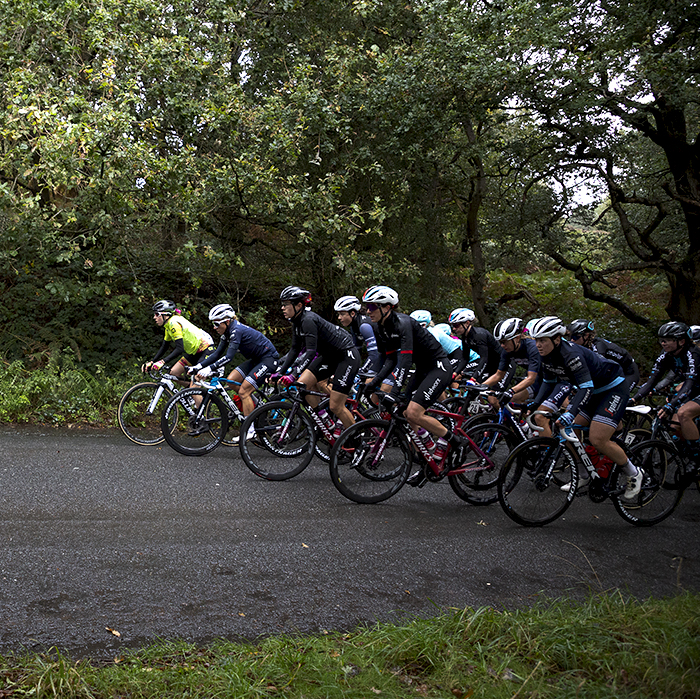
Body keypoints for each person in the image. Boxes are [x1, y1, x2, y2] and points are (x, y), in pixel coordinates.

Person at [529, 316, 643, 498]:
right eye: (536, 340)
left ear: (556, 339)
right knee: (566, 430)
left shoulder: (571, 355)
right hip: (594, 390)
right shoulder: (547, 356)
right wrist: (534, 406)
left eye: (542, 340)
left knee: (597, 438)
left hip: (613, 388)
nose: (538, 345)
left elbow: (586, 387)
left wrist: (571, 412)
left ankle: (634, 472)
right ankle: (583, 474)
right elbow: (548, 383)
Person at [363, 286, 459, 483]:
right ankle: (429, 455)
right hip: (423, 368)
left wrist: (396, 391)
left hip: (438, 367)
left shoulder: (403, 323)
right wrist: (374, 383)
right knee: (405, 413)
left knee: (414, 412)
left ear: (387, 307)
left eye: (372, 306)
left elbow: (405, 361)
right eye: (367, 306)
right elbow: (390, 360)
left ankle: (456, 442)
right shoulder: (382, 327)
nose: (368, 310)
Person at [274, 286, 361, 432]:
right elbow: (294, 350)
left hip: (346, 356)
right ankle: (326, 422)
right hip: (330, 356)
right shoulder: (296, 321)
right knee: (303, 385)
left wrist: (293, 374)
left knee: (336, 406)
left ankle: (358, 442)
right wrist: (281, 372)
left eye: (285, 304)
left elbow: (310, 352)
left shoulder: (308, 320)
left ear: (299, 305)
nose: (282, 308)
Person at [189, 304, 279, 421]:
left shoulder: (236, 331)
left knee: (244, 391)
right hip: (256, 360)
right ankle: (257, 408)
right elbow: (216, 354)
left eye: (217, 324)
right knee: (232, 380)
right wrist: (198, 367)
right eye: (213, 324)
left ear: (227, 321)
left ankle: (250, 429)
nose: (214, 328)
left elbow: (228, 357)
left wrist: (209, 369)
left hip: (269, 359)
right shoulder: (227, 333)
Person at [632, 321, 700, 463]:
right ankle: (687, 451)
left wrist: (671, 405)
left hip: (693, 386)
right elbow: (651, 381)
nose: (663, 343)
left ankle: (696, 458)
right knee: (674, 426)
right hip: (692, 388)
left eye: (668, 340)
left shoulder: (692, 354)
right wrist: (633, 399)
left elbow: (689, 384)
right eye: (661, 340)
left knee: (684, 414)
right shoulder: (667, 354)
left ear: (681, 341)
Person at [142, 300, 215, 382]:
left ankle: (194, 392)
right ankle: (189, 394)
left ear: (166, 315)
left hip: (205, 349)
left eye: (157, 314)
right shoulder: (168, 326)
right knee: (174, 373)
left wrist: (163, 361)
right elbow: (165, 346)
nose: (154, 317)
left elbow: (180, 348)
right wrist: (153, 361)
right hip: (194, 352)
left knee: (195, 380)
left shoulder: (174, 323)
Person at [481, 317, 541, 406]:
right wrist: (481, 386)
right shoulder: (507, 351)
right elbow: (499, 375)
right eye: (500, 342)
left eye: (504, 342)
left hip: (552, 378)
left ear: (517, 338)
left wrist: (511, 391)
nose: (502, 345)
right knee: (513, 402)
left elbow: (531, 378)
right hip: (538, 378)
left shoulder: (532, 348)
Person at [567, 319, 640, 390]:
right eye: (570, 337)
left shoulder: (598, 346)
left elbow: (597, 369)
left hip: (629, 372)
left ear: (586, 335)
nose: (572, 340)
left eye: (575, 337)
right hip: (614, 372)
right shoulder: (584, 345)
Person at [448, 308, 503, 382]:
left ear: (467, 323)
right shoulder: (465, 337)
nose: (454, 329)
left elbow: (484, 358)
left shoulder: (479, 335)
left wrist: (474, 378)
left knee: (490, 390)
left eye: (456, 325)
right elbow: (465, 358)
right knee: (473, 391)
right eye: (452, 326)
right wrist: (454, 373)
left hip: (502, 364)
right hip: (490, 365)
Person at [334, 295, 382, 378]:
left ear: (352, 313)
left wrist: (362, 370)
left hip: (389, 354)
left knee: (367, 382)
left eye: (342, 314)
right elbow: (356, 353)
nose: (339, 317)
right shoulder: (354, 326)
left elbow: (374, 355)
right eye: (338, 314)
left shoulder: (364, 326)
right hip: (382, 355)